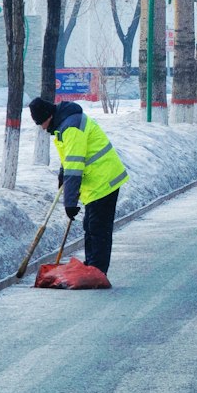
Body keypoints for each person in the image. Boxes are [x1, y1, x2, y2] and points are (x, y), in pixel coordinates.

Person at [29, 96, 128, 275]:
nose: (42, 128)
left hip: (104, 180)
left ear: (49, 116)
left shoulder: (71, 128)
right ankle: (92, 265)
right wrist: (62, 174)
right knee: (90, 226)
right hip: (95, 182)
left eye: (41, 123)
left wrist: (70, 202)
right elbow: (69, 159)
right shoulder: (63, 125)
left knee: (98, 228)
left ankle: (97, 272)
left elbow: (74, 167)